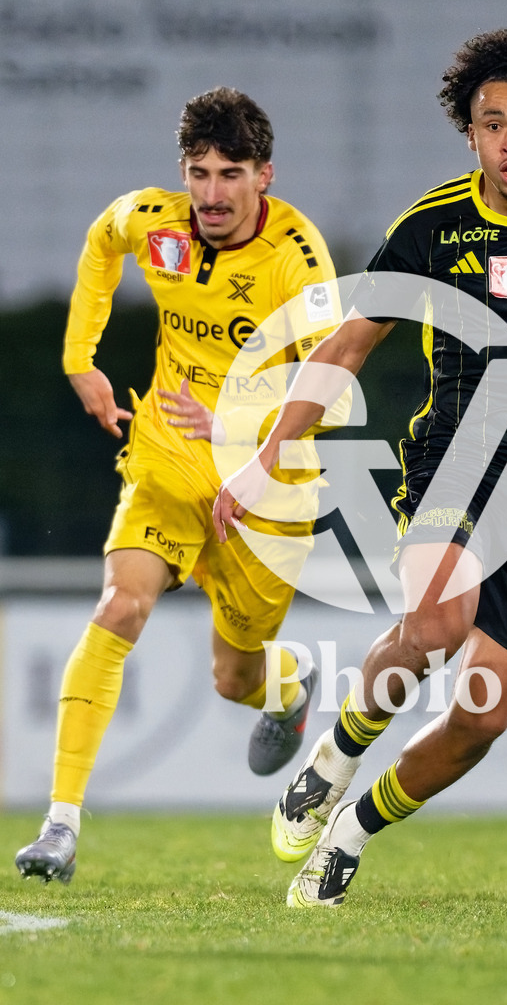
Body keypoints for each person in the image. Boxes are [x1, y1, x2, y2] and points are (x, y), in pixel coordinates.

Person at [213, 27, 507, 908]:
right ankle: (330, 759)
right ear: (470, 135)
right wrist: (263, 458)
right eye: (493, 123)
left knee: (482, 717)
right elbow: (347, 346)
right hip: (455, 454)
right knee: (439, 624)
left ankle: (351, 833)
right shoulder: (432, 225)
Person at [15, 86, 341, 884]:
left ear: (266, 175)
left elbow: (332, 389)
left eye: (231, 174)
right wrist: (78, 358)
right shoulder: (157, 221)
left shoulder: (299, 262)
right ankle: (60, 826)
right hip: (164, 458)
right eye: (199, 172)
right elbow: (100, 241)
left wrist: (238, 429)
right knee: (119, 606)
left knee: (234, 679)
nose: (211, 194)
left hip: (268, 487)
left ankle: (287, 682)